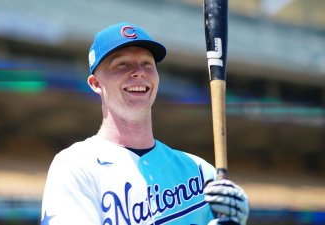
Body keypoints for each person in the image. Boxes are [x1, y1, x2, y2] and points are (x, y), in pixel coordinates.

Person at [41, 22, 249, 225]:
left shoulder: (202, 172)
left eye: (147, 64)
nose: (139, 72)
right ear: (96, 84)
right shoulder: (75, 167)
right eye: (123, 64)